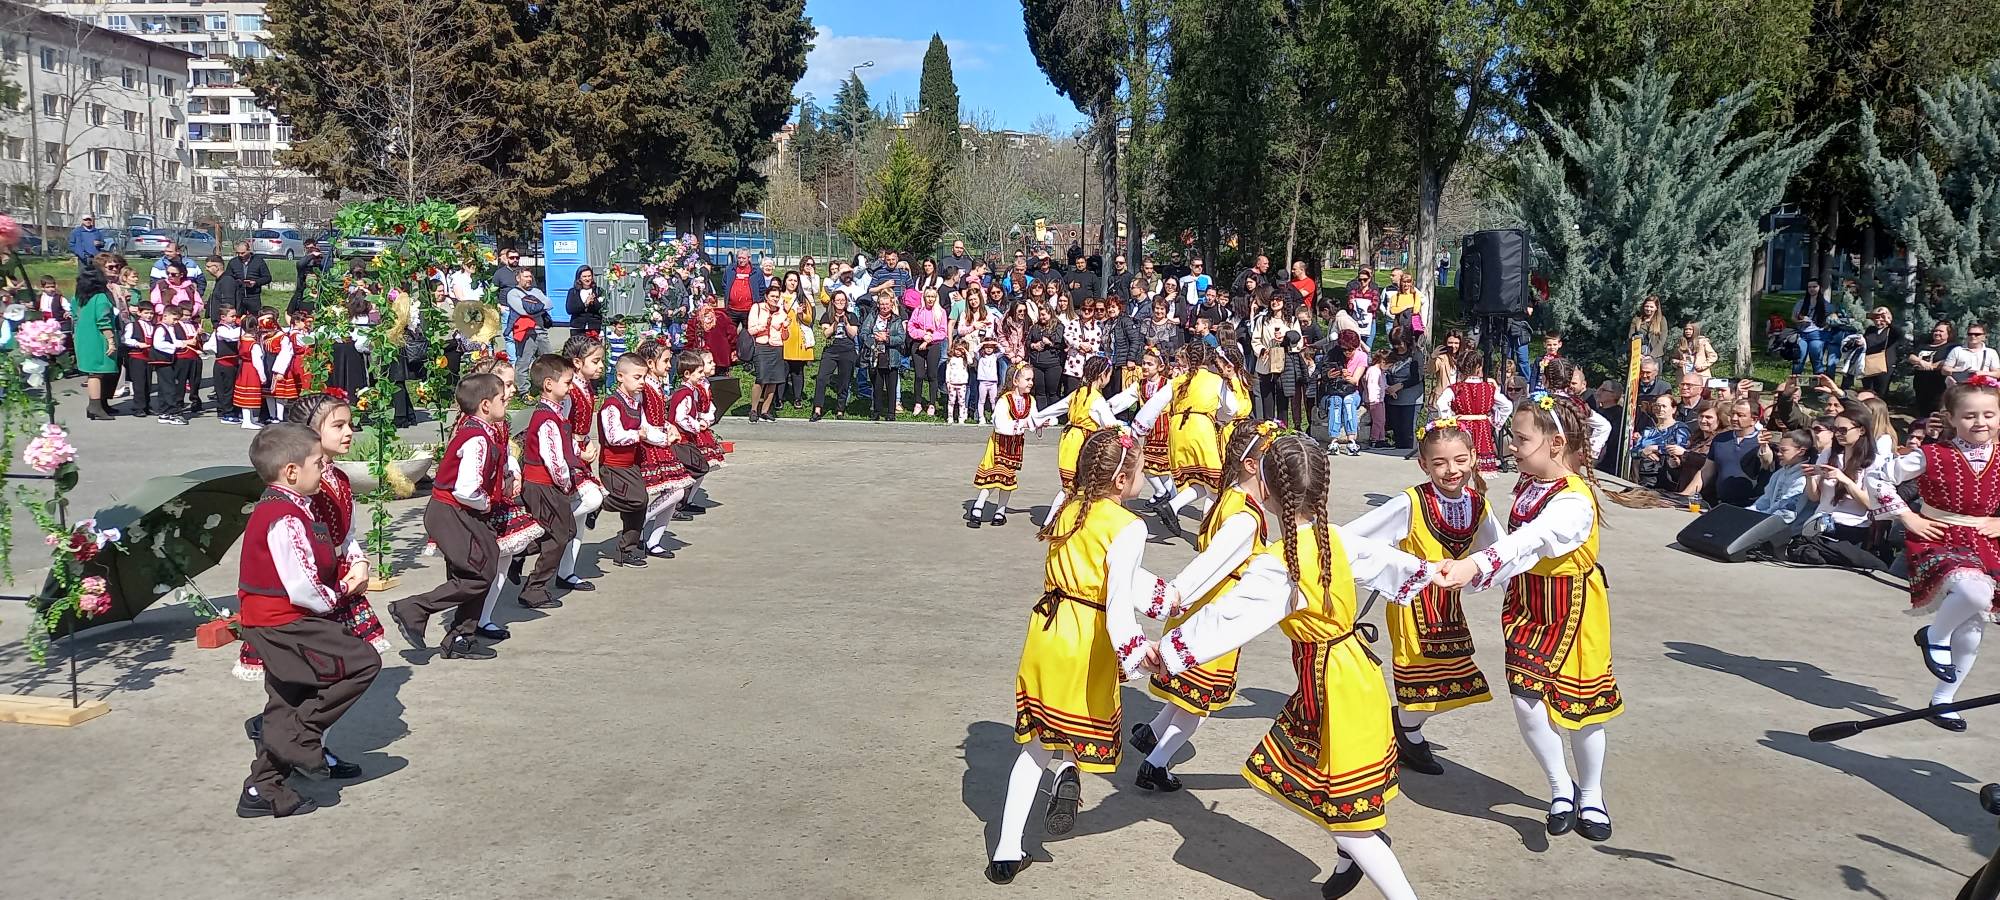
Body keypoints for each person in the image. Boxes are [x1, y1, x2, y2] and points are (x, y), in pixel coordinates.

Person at [1153, 434, 1433, 900]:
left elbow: (1228, 617)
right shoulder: (1335, 538)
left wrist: (1163, 654)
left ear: (1265, 487)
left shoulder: (1279, 562)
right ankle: (1351, 855)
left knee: (1344, 813)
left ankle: (1371, 862)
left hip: (1332, 686)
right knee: (1312, 780)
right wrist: (1446, 571)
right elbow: (1398, 565)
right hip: (1355, 676)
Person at [984, 428, 1175, 885]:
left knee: (1036, 743)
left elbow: (1102, 571)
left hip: (1046, 629)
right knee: (1079, 718)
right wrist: (1139, 650)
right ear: (1121, 480)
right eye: (1141, 470)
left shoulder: (1068, 506)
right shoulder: (1129, 525)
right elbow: (1117, 598)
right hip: (1085, 637)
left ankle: (1007, 850)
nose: (1145, 476)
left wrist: (1164, 597)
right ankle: (1068, 769)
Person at [1438, 392, 1623, 844]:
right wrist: (1482, 570)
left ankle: (1592, 794)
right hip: (1527, 603)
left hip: (1572, 607)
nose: (1511, 446)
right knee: (1525, 698)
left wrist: (1476, 566)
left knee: (1582, 709)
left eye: (1521, 439)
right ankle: (1561, 788)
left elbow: (1532, 539)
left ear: (1555, 443)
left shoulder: (1574, 500)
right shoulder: (1528, 484)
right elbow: (1511, 544)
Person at [233, 423, 382, 819]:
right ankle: (299, 737)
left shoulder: (294, 506)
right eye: (317, 463)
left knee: (289, 699)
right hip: (282, 622)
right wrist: (344, 590)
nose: (323, 468)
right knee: (363, 662)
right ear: (291, 472)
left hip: (277, 621)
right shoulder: (284, 516)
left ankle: (261, 787)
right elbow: (302, 587)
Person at [1344, 420, 1499, 775]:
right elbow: (1353, 537)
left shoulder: (1478, 504)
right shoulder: (1410, 502)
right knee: (1420, 683)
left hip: (1449, 607)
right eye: (1439, 462)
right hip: (1413, 606)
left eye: (1460, 460)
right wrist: (1397, 567)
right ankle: (1408, 735)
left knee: (1456, 684)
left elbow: (1498, 553)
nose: (1451, 470)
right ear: (1423, 464)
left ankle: (1401, 726)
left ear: (1474, 458)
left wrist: (1518, 593)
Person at [1874, 377, 2000, 731]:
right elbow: (1879, 478)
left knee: (1973, 626)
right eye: (1970, 415)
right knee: (1975, 593)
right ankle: (1935, 636)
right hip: (1938, 535)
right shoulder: (1932, 454)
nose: (1980, 422)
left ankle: (1944, 699)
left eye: (1989, 414)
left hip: (1984, 540)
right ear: (1952, 418)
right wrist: (1907, 516)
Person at [387, 374, 510, 661]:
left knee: (480, 567)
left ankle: (461, 637)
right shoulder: (476, 438)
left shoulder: (481, 431)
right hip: (452, 511)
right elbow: (466, 489)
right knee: (479, 574)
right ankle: (414, 608)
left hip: (459, 511)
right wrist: (485, 502)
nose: (507, 402)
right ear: (485, 405)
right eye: (502, 399)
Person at [968, 367, 1056, 528]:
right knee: (994, 477)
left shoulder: (1030, 400)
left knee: (1008, 478)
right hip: (999, 444)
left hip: (1014, 446)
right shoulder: (1004, 400)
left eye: (1031, 379)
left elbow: (1034, 419)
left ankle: (1000, 511)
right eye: (1027, 379)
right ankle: (978, 507)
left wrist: (1041, 423)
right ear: (1016, 381)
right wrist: (1024, 423)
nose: (1031, 383)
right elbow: (999, 424)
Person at [1802, 404, 1885, 559]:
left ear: (1861, 430)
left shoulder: (1874, 461)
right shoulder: (1829, 454)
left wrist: (1844, 479)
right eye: (1835, 430)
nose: (1838, 434)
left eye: (1843, 430)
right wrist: (1809, 477)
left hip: (1851, 526)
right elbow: (1815, 497)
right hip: (1821, 523)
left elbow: (1870, 503)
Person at [1436, 349, 1513, 473]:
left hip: (1461, 427)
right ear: (1479, 368)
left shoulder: (1455, 388)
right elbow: (1507, 405)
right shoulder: (1489, 388)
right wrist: (1494, 421)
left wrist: (1450, 421)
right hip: (1482, 427)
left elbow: (1441, 403)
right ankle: (1479, 484)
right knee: (1480, 468)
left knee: (1461, 460)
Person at [1751, 429, 1814, 530]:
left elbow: (1788, 512)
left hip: (1788, 531)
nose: (1779, 454)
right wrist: (1749, 513)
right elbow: (1765, 500)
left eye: (1783, 450)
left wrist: (1760, 521)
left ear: (1801, 452)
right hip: (1767, 523)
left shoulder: (1804, 477)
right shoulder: (1779, 473)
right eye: (1778, 450)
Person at [812, 291, 860, 421]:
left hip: (847, 351)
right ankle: (817, 409)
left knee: (844, 381)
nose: (840, 302)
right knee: (821, 378)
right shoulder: (827, 315)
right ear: (833, 302)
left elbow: (853, 334)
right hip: (831, 351)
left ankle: (840, 410)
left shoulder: (851, 316)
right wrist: (835, 323)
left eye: (843, 300)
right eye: (837, 300)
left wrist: (846, 323)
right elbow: (826, 334)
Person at [745, 286, 790, 422]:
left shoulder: (782, 312)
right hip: (762, 346)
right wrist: (764, 326)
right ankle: (754, 409)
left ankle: (765, 410)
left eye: (777, 297)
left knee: (774, 379)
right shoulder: (757, 308)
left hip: (777, 346)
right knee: (761, 378)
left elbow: (785, 336)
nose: (775, 299)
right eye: (772, 296)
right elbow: (751, 330)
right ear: (766, 296)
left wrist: (785, 328)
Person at [860, 289, 905, 422]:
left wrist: (887, 339)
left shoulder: (897, 320)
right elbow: (863, 333)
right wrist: (874, 338)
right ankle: (876, 411)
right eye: (882, 304)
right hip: (875, 356)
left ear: (891, 305)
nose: (884, 307)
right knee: (877, 386)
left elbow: (901, 337)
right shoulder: (872, 317)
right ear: (878, 305)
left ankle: (891, 413)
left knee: (891, 387)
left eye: (887, 304)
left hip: (891, 356)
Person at [504, 269, 551, 391]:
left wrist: (533, 308)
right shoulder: (513, 293)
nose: (529, 279)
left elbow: (549, 304)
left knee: (549, 360)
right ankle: (523, 391)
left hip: (541, 330)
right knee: (523, 362)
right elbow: (523, 311)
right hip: (525, 332)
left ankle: (546, 386)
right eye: (525, 277)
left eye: (530, 276)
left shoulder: (536, 291)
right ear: (518, 278)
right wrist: (538, 307)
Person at [908, 287, 951, 418]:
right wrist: (923, 335)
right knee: (919, 375)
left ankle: (932, 403)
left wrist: (930, 338)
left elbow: (942, 331)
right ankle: (918, 403)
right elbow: (911, 327)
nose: (930, 299)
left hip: (933, 344)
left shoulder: (941, 312)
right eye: (928, 296)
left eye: (933, 296)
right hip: (918, 343)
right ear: (924, 297)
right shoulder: (918, 311)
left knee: (932, 375)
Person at [1909, 321, 1958, 418]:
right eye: (1936, 331)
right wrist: (1920, 362)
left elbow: (1947, 361)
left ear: (1949, 334)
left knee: (1937, 409)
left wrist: (1930, 366)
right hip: (1921, 382)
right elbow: (1911, 357)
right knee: (1922, 409)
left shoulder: (1951, 347)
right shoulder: (1924, 346)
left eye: (1941, 331)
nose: (1937, 333)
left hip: (1939, 383)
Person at [780, 276, 815, 411]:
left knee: (797, 370)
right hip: (782, 338)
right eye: (790, 280)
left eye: (795, 281)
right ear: (785, 281)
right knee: (782, 370)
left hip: (798, 338)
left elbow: (809, 319)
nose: (793, 283)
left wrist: (801, 315)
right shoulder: (778, 297)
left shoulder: (802, 298)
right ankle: (779, 398)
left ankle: (797, 398)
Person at [1384, 330, 1423, 449]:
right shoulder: (1391, 354)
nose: (1397, 347)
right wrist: (1388, 387)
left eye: (1399, 344)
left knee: (1407, 432)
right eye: (1394, 344)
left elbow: (1417, 377)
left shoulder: (1415, 354)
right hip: (1393, 397)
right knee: (1397, 431)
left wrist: (1400, 385)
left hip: (1410, 398)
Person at [206, 307, 244, 425]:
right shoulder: (221, 329)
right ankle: (226, 412)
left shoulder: (234, 328)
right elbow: (231, 337)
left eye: (235, 316)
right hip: (224, 364)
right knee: (226, 390)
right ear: (223, 317)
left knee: (233, 388)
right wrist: (244, 327)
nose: (235, 318)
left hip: (234, 363)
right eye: (232, 316)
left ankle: (234, 410)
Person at [1858, 307, 1906, 397]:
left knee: (1881, 391)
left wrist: (1888, 322)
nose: (1878, 321)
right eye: (1875, 318)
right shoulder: (1870, 330)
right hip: (1869, 363)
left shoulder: (1891, 331)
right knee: (1867, 390)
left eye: (1881, 318)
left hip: (1885, 365)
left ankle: (1880, 405)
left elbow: (1900, 334)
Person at [226, 241, 273, 315]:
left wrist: (256, 282)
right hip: (238, 296)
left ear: (249, 250)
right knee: (238, 318)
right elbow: (228, 277)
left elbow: (267, 278)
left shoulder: (258, 262)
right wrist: (236, 282)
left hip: (253, 296)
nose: (240, 255)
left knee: (255, 317)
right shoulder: (233, 262)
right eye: (238, 253)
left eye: (243, 253)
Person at [565, 265, 607, 337]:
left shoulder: (598, 291)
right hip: (578, 327)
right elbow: (570, 310)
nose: (587, 279)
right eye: (584, 276)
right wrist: (585, 304)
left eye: (589, 276)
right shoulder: (573, 292)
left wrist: (594, 302)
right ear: (579, 278)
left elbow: (602, 309)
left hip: (594, 327)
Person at [1631, 295, 1668, 368]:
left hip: (1655, 356)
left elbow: (1662, 339)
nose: (1648, 309)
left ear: (1656, 308)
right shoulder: (1636, 320)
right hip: (1638, 357)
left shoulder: (1662, 320)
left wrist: (1651, 356)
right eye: (1646, 306)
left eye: (1651, 307)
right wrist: (1637, 354)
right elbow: (1631, 338)